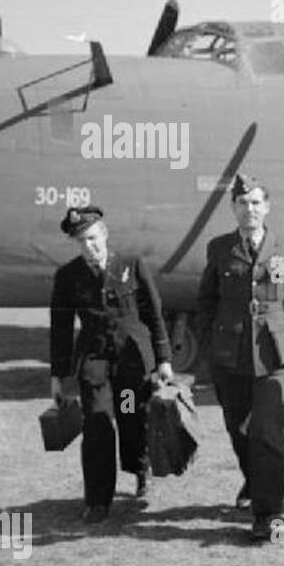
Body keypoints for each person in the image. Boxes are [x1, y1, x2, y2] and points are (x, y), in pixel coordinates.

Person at [196, 173, 284, 543]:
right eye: (243, 203)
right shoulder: (219, 248)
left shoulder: (283, 247)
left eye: (257, 203)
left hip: (273, 353)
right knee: (239, 428)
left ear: (267, 207)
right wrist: (209, 344)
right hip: (230, 353)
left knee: (269, 433)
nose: (250, 210)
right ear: (233, 208)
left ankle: (268, 514)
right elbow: (206, 301)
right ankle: (254, 479)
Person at [49, 206, 173, 522]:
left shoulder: (132, 266)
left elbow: (154, 315)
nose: (88, 246)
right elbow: (60, 329)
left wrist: (164, 360)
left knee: (131, 418)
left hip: (131, 363)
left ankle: (139, 468)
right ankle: (98, 500)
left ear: (104, 234)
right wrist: (58, 375)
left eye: (92, 238)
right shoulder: (68, 277)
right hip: (95, 361)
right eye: (81, 241)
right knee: (97, 424)